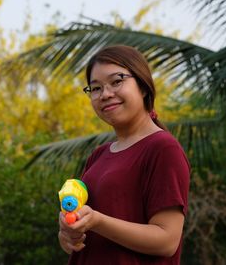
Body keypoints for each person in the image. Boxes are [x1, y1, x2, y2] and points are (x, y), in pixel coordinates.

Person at [58, 45, 190, 265]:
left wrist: (96, 221)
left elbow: (167, 241)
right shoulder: (99, 155)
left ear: (143, 86)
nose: (106, 94)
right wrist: (67, 232)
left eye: (117, 81)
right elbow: (75, 242)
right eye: (96, 88)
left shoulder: (163, 148)